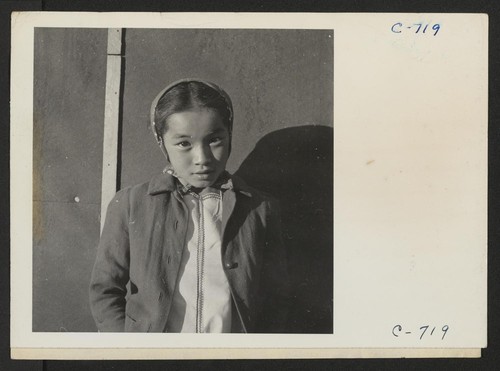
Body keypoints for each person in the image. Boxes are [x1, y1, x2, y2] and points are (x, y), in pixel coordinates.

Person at [89, 78, 290, 333]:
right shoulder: (130, 204)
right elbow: (104, 292)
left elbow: (276, 299)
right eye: (184, 143)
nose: (202, 158)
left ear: (230, 135)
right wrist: (130, 352)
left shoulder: (260, 209)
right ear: (162, 142)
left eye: (215, 139)